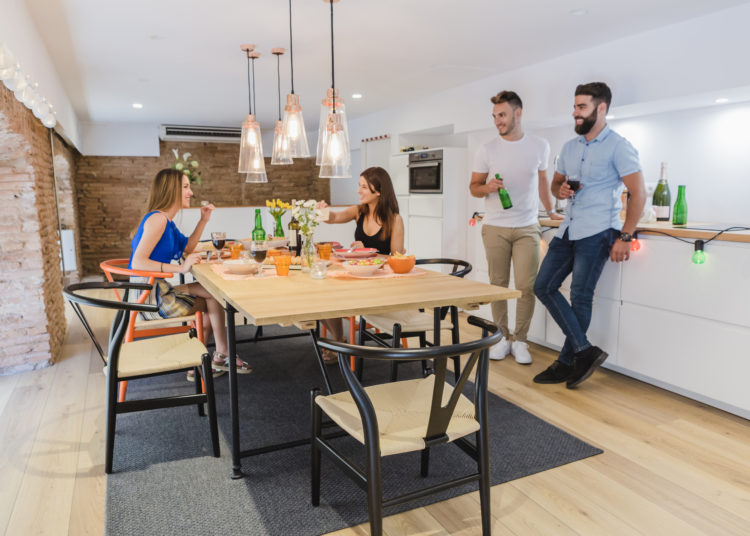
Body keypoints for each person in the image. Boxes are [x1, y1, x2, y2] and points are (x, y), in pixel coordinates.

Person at [533, 82, 645, 388]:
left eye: (581, 107)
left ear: (602, 108)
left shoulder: (619, 146)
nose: (575, 112)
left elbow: (638, 193)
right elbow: (557, 186)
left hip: (598, 231)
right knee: (542, 286)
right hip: (569, 228)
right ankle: (584, 351)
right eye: (575, 107)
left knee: (581, 295)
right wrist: (561, 189)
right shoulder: (570, 148)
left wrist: (625, 236)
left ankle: (565, 363)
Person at [129, 168, 252, 377]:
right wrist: (181, 268)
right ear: (171, 190)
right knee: (213, 297)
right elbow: (139, 262)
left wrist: (203, 220)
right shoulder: (157, 220)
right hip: (149, 299)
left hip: (156, 290)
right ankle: (214, 356)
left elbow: (188, 247)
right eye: (186, 187)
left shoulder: (166, 221)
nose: (191, 192)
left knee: (212, 296)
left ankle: (208, 358)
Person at [470, 90, 563, 365]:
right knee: (498, 286)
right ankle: (500, 337)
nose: (498, 121)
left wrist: (552, 210)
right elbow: (474, 187)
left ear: (517, 113)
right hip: (495, 227)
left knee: (526, 286)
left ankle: (520, 340)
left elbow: (543, 182)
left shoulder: (539, 145)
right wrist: (487, 187)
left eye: (502, 115)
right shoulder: (487, 149)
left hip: (527, 226)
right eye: (495, 116)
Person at [316, 166, 405, 359]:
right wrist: (323, 211)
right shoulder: (359, 212)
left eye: (364, 187)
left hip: (379, 284)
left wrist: (367, 253)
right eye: (359, 186)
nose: (358, 191)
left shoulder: (394, 220)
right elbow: (334, 218)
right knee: (319, 295)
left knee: (328, 296)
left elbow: (397, 261)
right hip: (357, 276)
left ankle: (338, 343)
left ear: (379, 191)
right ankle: (339, 340)